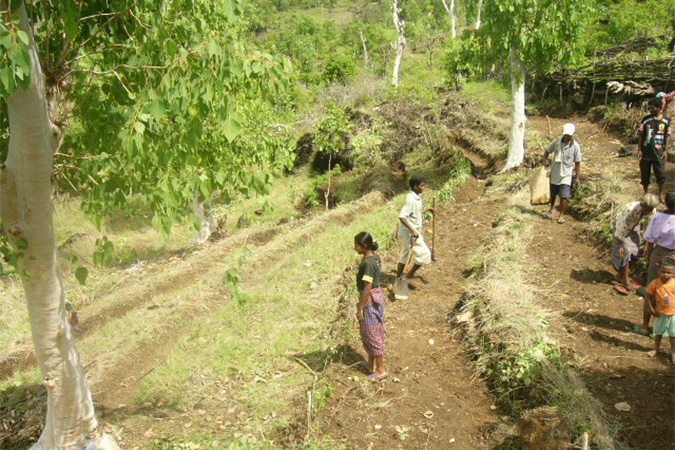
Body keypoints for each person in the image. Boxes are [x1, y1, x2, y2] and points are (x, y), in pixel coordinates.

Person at [636, 190, 675, 335]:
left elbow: (649, 240)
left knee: (651, 288)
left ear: (665, 202)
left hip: (657, 254)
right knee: (670, 291)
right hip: (673, 257)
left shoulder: (657, 217)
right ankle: (665, 328)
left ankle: (645, 325)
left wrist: (648, 256)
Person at [354, 232, 387, 381]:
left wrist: (361, 307)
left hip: (369, 299)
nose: (355, 247)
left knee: (372, 333)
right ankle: (370, 364)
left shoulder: (368, 264)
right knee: (369, 332)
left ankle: (381, 369)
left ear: (364, 246)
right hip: (376, 296)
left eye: (357, 245)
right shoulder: (374, 258)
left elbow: (367, 287)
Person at [611, 194, 658, 294]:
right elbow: (621, 226)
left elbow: (649, 227)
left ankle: (620, 276)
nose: (647, 212)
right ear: (642, 205)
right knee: (626, 252)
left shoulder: (653, 212)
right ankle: (624, 279)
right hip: (622, 227)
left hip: (634, 227)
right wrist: (620, 244)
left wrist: (646, 243)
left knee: (636, 252)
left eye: (649, 210)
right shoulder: (630, 209)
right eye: (645, 209)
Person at [396, 175, 434, 282]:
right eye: (422, 186)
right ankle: (408, 276)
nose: (424, 188)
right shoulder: (411, 199)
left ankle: (398, 279)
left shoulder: (416, 197)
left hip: (409, 232)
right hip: (410, 233)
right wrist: (413, 231)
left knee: (405, 254)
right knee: (425, 254)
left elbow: (414, 214)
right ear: (415, 186)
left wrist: (427, 210)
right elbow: (402, 216)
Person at [543, 123, 582, 224]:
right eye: (566, 135)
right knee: (553, 194)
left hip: (567, 174)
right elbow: (547, 151)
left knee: (564, 196)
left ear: (573, 134)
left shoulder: (576, 147)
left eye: (569, 136)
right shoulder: (557, 142)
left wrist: (577, 177)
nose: (567, 137)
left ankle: (561, 215)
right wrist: (545, 162)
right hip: (555, 172)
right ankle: (551, 208)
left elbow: (577, 163)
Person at [638, 96, 672, 203]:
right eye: (649, 108)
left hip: (659, 152)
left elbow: (668, 135)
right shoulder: (646, 120)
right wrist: (639, 150)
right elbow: (640, 134)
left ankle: (661, 195)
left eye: (652, 108)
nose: (650, 110)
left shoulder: (666, 121)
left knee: (660, 174)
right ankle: (646, 193)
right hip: (646, 151)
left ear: (659, 108)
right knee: (645, 174)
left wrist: (666, 150)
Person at [644, 257, 675, 362]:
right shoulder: (655, 283)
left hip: (673, 314)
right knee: (658, 332)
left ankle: (673, 352)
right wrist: (652, 309)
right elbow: (648, 296)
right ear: (658, 270)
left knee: (673, 334)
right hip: (660, 313)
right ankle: (656, 349)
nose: (666, 275)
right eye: (663, 271)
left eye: (669, 272)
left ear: (674, 272)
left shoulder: (674, 284)